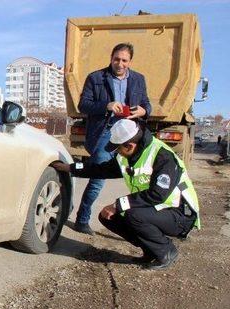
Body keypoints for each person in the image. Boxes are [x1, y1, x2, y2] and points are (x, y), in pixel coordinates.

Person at [53, 119, 200, 270]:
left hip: (180, 214)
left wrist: (118, 204)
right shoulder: (128, 156)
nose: (116, 152)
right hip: (156, 210)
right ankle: (151, 251)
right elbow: (99, 169)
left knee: (133, 215)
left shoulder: (162, 156)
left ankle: (167, 251)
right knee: (107, 216)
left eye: (117, 149)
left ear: (129, 145)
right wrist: (70, 168)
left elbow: (157, 194)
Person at [74, 43, 152, 235]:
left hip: (130, 132)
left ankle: (140, 224)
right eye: (116, 59)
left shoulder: (138, 79)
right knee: (98, 177)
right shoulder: (96, 78)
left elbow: (146, 104)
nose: (120, 63)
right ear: (111, 58)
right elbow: (83, 105)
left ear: (129, 62)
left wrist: (144, 110)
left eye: (124, 60)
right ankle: (82, 219)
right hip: (106, 132)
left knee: (138, 176)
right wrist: (106, 105)